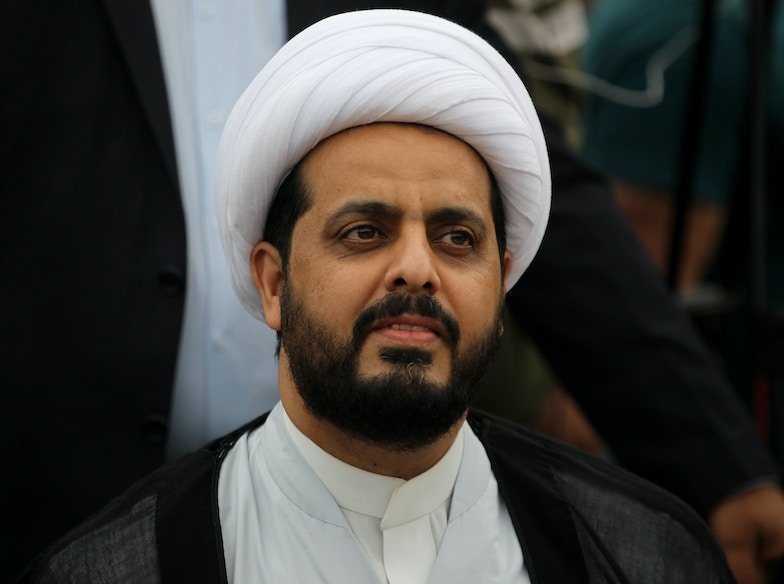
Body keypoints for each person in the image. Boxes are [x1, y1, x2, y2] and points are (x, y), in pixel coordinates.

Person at [2, 1, 783, 582]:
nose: (417, 269)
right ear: (272, 280)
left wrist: (720, 466)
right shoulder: (95, 568)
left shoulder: (639, 552)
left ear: (503, 279)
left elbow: (578, 239)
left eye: (457, 239)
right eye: (364, 232)